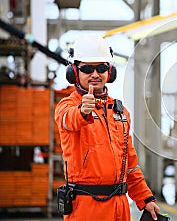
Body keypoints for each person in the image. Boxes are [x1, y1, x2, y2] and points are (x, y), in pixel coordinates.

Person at [55, 34, 160, 220]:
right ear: (74, 72)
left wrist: (145, 198)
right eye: (87, 69)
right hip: (86, 207)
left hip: (120, 206)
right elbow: (67, 120)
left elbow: (130, 166)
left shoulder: (120, 112)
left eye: (101, 68)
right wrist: (82, 111)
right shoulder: (67, 106)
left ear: (109, 72)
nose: (95, 74)